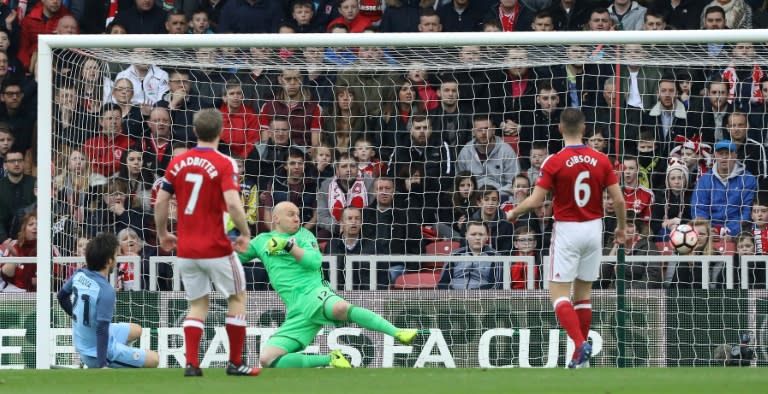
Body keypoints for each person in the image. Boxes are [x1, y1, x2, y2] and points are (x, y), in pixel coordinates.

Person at [506, 108, 627, 369]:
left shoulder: (554, 161)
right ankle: (580, 360)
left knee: (558, 294)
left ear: (560, 129)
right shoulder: (602, 159)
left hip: (567, 229)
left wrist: (515, 211)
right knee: (583, 296)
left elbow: (537, 200)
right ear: (584, 129)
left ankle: (579, 343)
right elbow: (618, 199)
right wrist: (621, 227)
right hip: (594, 228)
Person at [237, 201, 418, 369]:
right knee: (268, 359)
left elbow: (314, 261)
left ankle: (398, 332)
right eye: (291, 214)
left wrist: (288, 247)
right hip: (296, 311)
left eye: (298, 215)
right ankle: (331, 359)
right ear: (276, 218)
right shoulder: (262, 241)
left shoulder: (303, 235)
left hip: (315, 294)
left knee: (340, 307)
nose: (297, 218)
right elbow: (233, 258)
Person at [154, 108, 258, 377]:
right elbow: (234, 204)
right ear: (221, 132)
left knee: (198, 304)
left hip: (186, 249)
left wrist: (163, 233)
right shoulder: (226, 163)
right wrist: (245, 232)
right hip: (216, 246)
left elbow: (162, 200)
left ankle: (191, 364)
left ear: (195, 131)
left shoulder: (177, 162)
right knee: (236, 297)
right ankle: (235, 363)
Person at [56, 232, 160, 368]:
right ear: (109, 261)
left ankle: (124, 359)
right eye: (116, 256)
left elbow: (61, 296)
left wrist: (78, 318)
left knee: (137, 330)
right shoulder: (105, 291)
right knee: (154, 359)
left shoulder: (79, 274)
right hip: (95, 352)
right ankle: (115, 359)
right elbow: (101, 329)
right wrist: (102, 364)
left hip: (85, 338)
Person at [438, 221, 501, 290]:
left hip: (481, 298)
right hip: (453, 296)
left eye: (481, 234)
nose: (477, 238)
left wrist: (472, 294)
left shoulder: (495, 256)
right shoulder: (455, 254)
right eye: (473, 234)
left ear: (487, 237)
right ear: (466, 236)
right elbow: (442, 283)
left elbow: (495, 285)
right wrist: (455, 295)